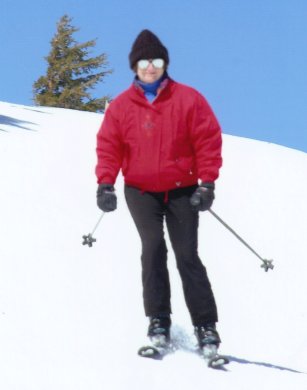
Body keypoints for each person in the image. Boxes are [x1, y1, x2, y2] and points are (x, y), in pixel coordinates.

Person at [95, 29, 223, 351]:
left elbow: (207, 140)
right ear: (134, 67)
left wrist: (207, 183)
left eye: (155, 61)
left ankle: (205, 327)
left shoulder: (188, 99)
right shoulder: (122, 107)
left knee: (186, 255)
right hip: (141, 191)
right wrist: (105, 183)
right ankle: (158, 321)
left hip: (183, 189)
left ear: (164, 63)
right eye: (143, 62)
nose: (149, 67)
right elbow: (109, 146)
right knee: (152, 248)